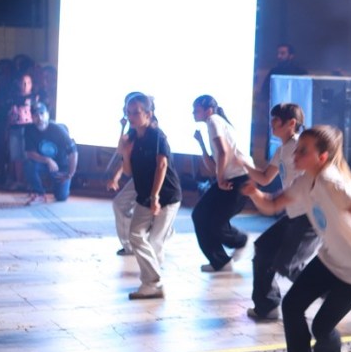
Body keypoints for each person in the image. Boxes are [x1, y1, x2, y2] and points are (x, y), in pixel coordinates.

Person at [242, 125, 351, 352]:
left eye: (303, 151)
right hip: (330, 258)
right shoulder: (304, 181)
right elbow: (272, 205)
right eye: (297, 150)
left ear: (323, 157)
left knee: (321, 326)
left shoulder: (333, 182)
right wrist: (254, 193)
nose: (296, 155)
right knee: (292, 305)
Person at [243, 103, 320, 321]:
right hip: (293, 215)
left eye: (276, 120)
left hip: (308, 216)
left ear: (291, 123)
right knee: (263, 249)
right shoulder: (281, 150)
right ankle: (266, 306)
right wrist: (244, 164)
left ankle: (329, 293)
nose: (271, 124)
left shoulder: (300, 146)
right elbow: (265, 177)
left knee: (288, 265)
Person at [116, 94, 181, 300]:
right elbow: (128, 171)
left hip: (166, 195)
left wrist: (155, 197)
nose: (131, 117)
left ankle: (152, 284)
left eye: (136, 113)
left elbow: (162, 165)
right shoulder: (133, 137)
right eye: (129, 112)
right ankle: (153, 282)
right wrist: (126, 153)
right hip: (144, 194)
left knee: (154, 241)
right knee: (136, 235)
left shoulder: (157, 136)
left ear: (148, 114)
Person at [191, 95, 249, 272]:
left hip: (238, 178)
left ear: (208, 110)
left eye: (196, 110)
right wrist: (201, 144)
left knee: (211, 220)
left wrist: (221, 179)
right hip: (232, 178)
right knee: (202, 216)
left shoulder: (213, 120)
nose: (193, 113)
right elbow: (213, 167)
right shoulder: (214, 124)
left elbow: (223, 152)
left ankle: (239, 242)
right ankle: (221, 261)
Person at [109, 92, 148, 257]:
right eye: (127, 111)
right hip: (140, 177)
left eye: (133, 111)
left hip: (150, 178)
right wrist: (116, 177)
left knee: (122, 205)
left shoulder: (149, 130)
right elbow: (123, 153)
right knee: (121, 205)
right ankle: (130, 245)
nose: (129, 114)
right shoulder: (132, 129)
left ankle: (131, 246)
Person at [23, 102, 77, 205]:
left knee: (61, 197)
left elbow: (73, 152)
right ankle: (39, 193)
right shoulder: (29, 130)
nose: (39, 118)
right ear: (32, 117)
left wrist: (70, 174)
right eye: (36, 115)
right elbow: (30, 153)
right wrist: (47, 160)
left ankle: (59, 187)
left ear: (47, 114)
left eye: (42, 113)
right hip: (43, 164)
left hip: (60, 166)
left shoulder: (58, 129)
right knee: (28, 164)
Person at [5, 73, 37, 190]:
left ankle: (29, 181)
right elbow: (8, 116)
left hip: (28, 130)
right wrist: (6, 130)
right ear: (19, 83)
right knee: (16, 155)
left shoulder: (34, 98)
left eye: (28, 83)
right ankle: (19, 181)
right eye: (23, 82)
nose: (25, 85)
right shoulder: (12, 98)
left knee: (27, 155)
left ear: (31, 84)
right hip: (14, 129)